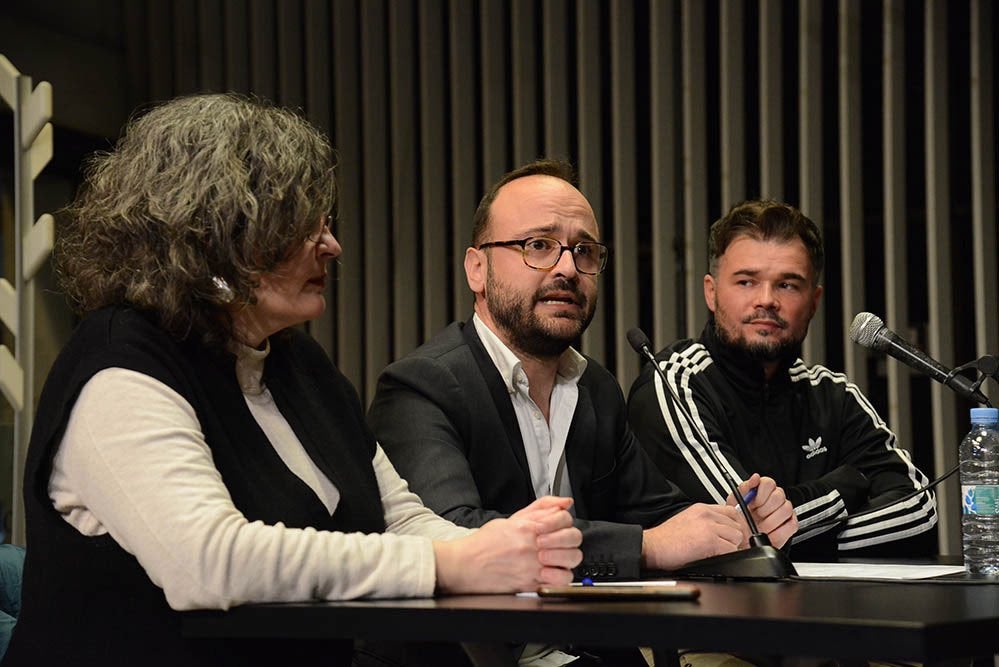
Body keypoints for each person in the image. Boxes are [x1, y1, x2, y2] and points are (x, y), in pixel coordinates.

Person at [3, 95, 582, 667]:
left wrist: (513, 550)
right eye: (303, 223)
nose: (332, 245)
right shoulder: (120, 365)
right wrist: (453, 565)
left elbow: (399, 518)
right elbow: (208, 563)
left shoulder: (297, 364)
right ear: (216, 229)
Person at [368, 160, 797, 581]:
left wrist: (735, 523)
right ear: (477, 269)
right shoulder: (421, 387)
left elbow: (655, 514)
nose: (568, 268)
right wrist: (647, 547)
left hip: (587, 648)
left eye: (584, 251)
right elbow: (456, 535)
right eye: (538, 245)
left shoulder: (595, 387)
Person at [628, 199, 938, 561]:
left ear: (814, 301)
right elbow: (743, 531)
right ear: (711, 293)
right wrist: (846, 486)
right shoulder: (674, 382)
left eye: (788, 285)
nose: (766, 300)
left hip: (838, 613)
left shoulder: (833, 394)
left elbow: (918, 514)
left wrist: (793, 537)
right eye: (746, 281)